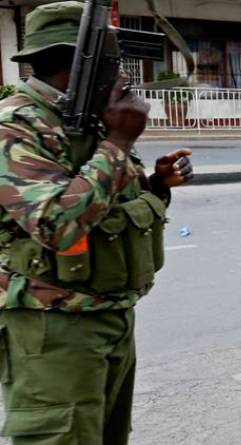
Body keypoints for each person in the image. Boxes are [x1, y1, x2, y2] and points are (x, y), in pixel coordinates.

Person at [0, 2, 193, 443]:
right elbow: (56, 223)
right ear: (78, 62)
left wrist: (155, 184)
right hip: (53, 326)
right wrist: (120, 140)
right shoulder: (16, 126)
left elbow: (103, 207)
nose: (123, 75)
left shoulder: (87, 122)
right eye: (113, 62)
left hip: (109, 316)